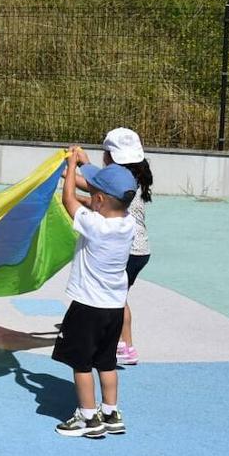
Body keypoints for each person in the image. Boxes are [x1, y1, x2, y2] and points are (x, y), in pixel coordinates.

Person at [52, 147, 137, 438]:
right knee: (106, 362)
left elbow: (68, 200)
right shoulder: (128, 223)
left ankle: (88, 418)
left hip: (87, 306)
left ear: (99, 200)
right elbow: (97, 198)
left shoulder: (94, 224)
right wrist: (85, 166)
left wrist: (72, 164)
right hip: (113, 308)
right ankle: (111, 413)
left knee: (81, 363)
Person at [76, 127, 153, 366]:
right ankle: (124, 344)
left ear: (110, 155)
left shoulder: (122, 182)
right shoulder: (133, 180)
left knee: (117, 299)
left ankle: (124, 345)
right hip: (140, 250)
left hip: (128, 250)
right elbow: (96, 196)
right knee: (120, 297)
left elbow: (93, 190)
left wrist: (72, 175)